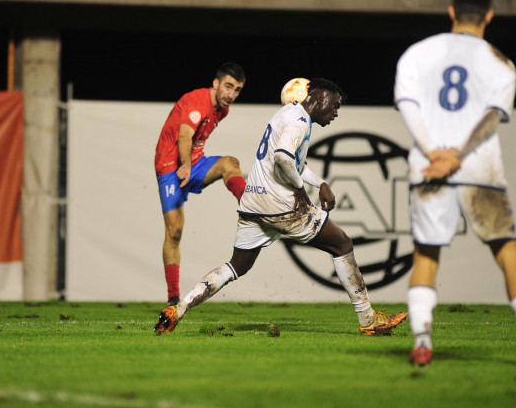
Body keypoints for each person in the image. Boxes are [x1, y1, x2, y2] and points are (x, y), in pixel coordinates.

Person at [394, 0, 516, 367]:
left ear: (452, 10)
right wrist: (458, 155)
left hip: (429, 169)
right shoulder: (501, 64)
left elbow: (408, 105)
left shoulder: (417, 53)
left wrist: (436, 154)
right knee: (509, 254)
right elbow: (493, 117)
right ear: (489, 14)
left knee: (426, 257)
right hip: (480, 169)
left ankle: (423, 342)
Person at [155, 78, 408, 336]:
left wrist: (320, 183)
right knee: (342, 244)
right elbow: (282, 158)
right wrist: (299, 188)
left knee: (236, 266)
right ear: (320, 98)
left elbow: (294, 162)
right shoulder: (300, 121)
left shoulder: (286, 113)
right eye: (335, 105)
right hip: (280, 205)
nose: (336, 113)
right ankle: (368, 320)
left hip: (253, 203)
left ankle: (179, 308)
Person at [155, 62, 249, 307]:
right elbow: (185, 134)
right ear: (216, 83)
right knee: (174, 230)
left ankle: (249, 204)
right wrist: (184, 165)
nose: (232, 94)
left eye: (237, 89)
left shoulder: (223, 110)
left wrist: (191, 164)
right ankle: (173, 297)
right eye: (228, 86)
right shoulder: (197, 101)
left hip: (195, 163)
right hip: (170, 166)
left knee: (230, 163)